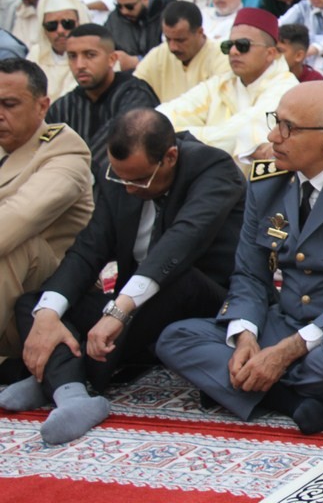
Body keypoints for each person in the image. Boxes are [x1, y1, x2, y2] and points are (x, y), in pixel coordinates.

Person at [157, 82, 323, 435]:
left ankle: (241, 384)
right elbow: (249, 275)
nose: (273, 136)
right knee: (176, 338)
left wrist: (285, 351)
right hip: (290, 319)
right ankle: (292, 400)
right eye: (276, 121)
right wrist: (246, 336)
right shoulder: (267, 183)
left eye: (289, 128)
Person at [0, 110, 245, 444]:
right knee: (36, 302)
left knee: (177, 281)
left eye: (139, 180)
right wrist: (47, 314)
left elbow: (180, 244)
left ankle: (57, 373)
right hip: (133, 304)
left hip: (209, 298)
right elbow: (88, 249)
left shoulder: (213, 168)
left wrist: (119, 310)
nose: (128, 188)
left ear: (170, 157)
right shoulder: (117, 175)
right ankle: (70, 393)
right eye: (121, 179)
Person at [0, 59, 93, 369]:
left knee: (17, 243)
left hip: (41, 304)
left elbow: (17, 219)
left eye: (9, 104)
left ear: (42, 106)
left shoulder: (64, 150)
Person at [158, 8, 298, 164]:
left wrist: (175, 139)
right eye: (228, 45)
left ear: (270, 53)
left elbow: (241, 133)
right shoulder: (222, 83)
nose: (233, 52)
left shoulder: (287, 89)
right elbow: (166, 115)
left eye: (243, 45)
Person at [46, 24, 159, 175]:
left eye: (90, 55)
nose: (79, 65)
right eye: (73, 56)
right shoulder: (63, 107)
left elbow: (123, 147)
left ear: (112, 59)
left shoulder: (135, 95)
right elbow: (45, 151)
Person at [133, 1, 230, 103]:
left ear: (200, 32)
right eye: (168, 39)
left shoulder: (221, 57)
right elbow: (134, 87)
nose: (173, 47)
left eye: (180, 40)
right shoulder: (160, 54)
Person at [28, 0, 90, 101]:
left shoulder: (95, 55)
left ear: (79, 23)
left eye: (67, 23)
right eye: (52, 25)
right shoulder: (35, 55)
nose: (60, 31)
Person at [106, 0, 174, 71]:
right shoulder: (114, 18)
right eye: (119, 5)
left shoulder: (170, 13)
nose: (123, 11)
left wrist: (136, 61)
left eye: (130, 7)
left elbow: (173, 57)